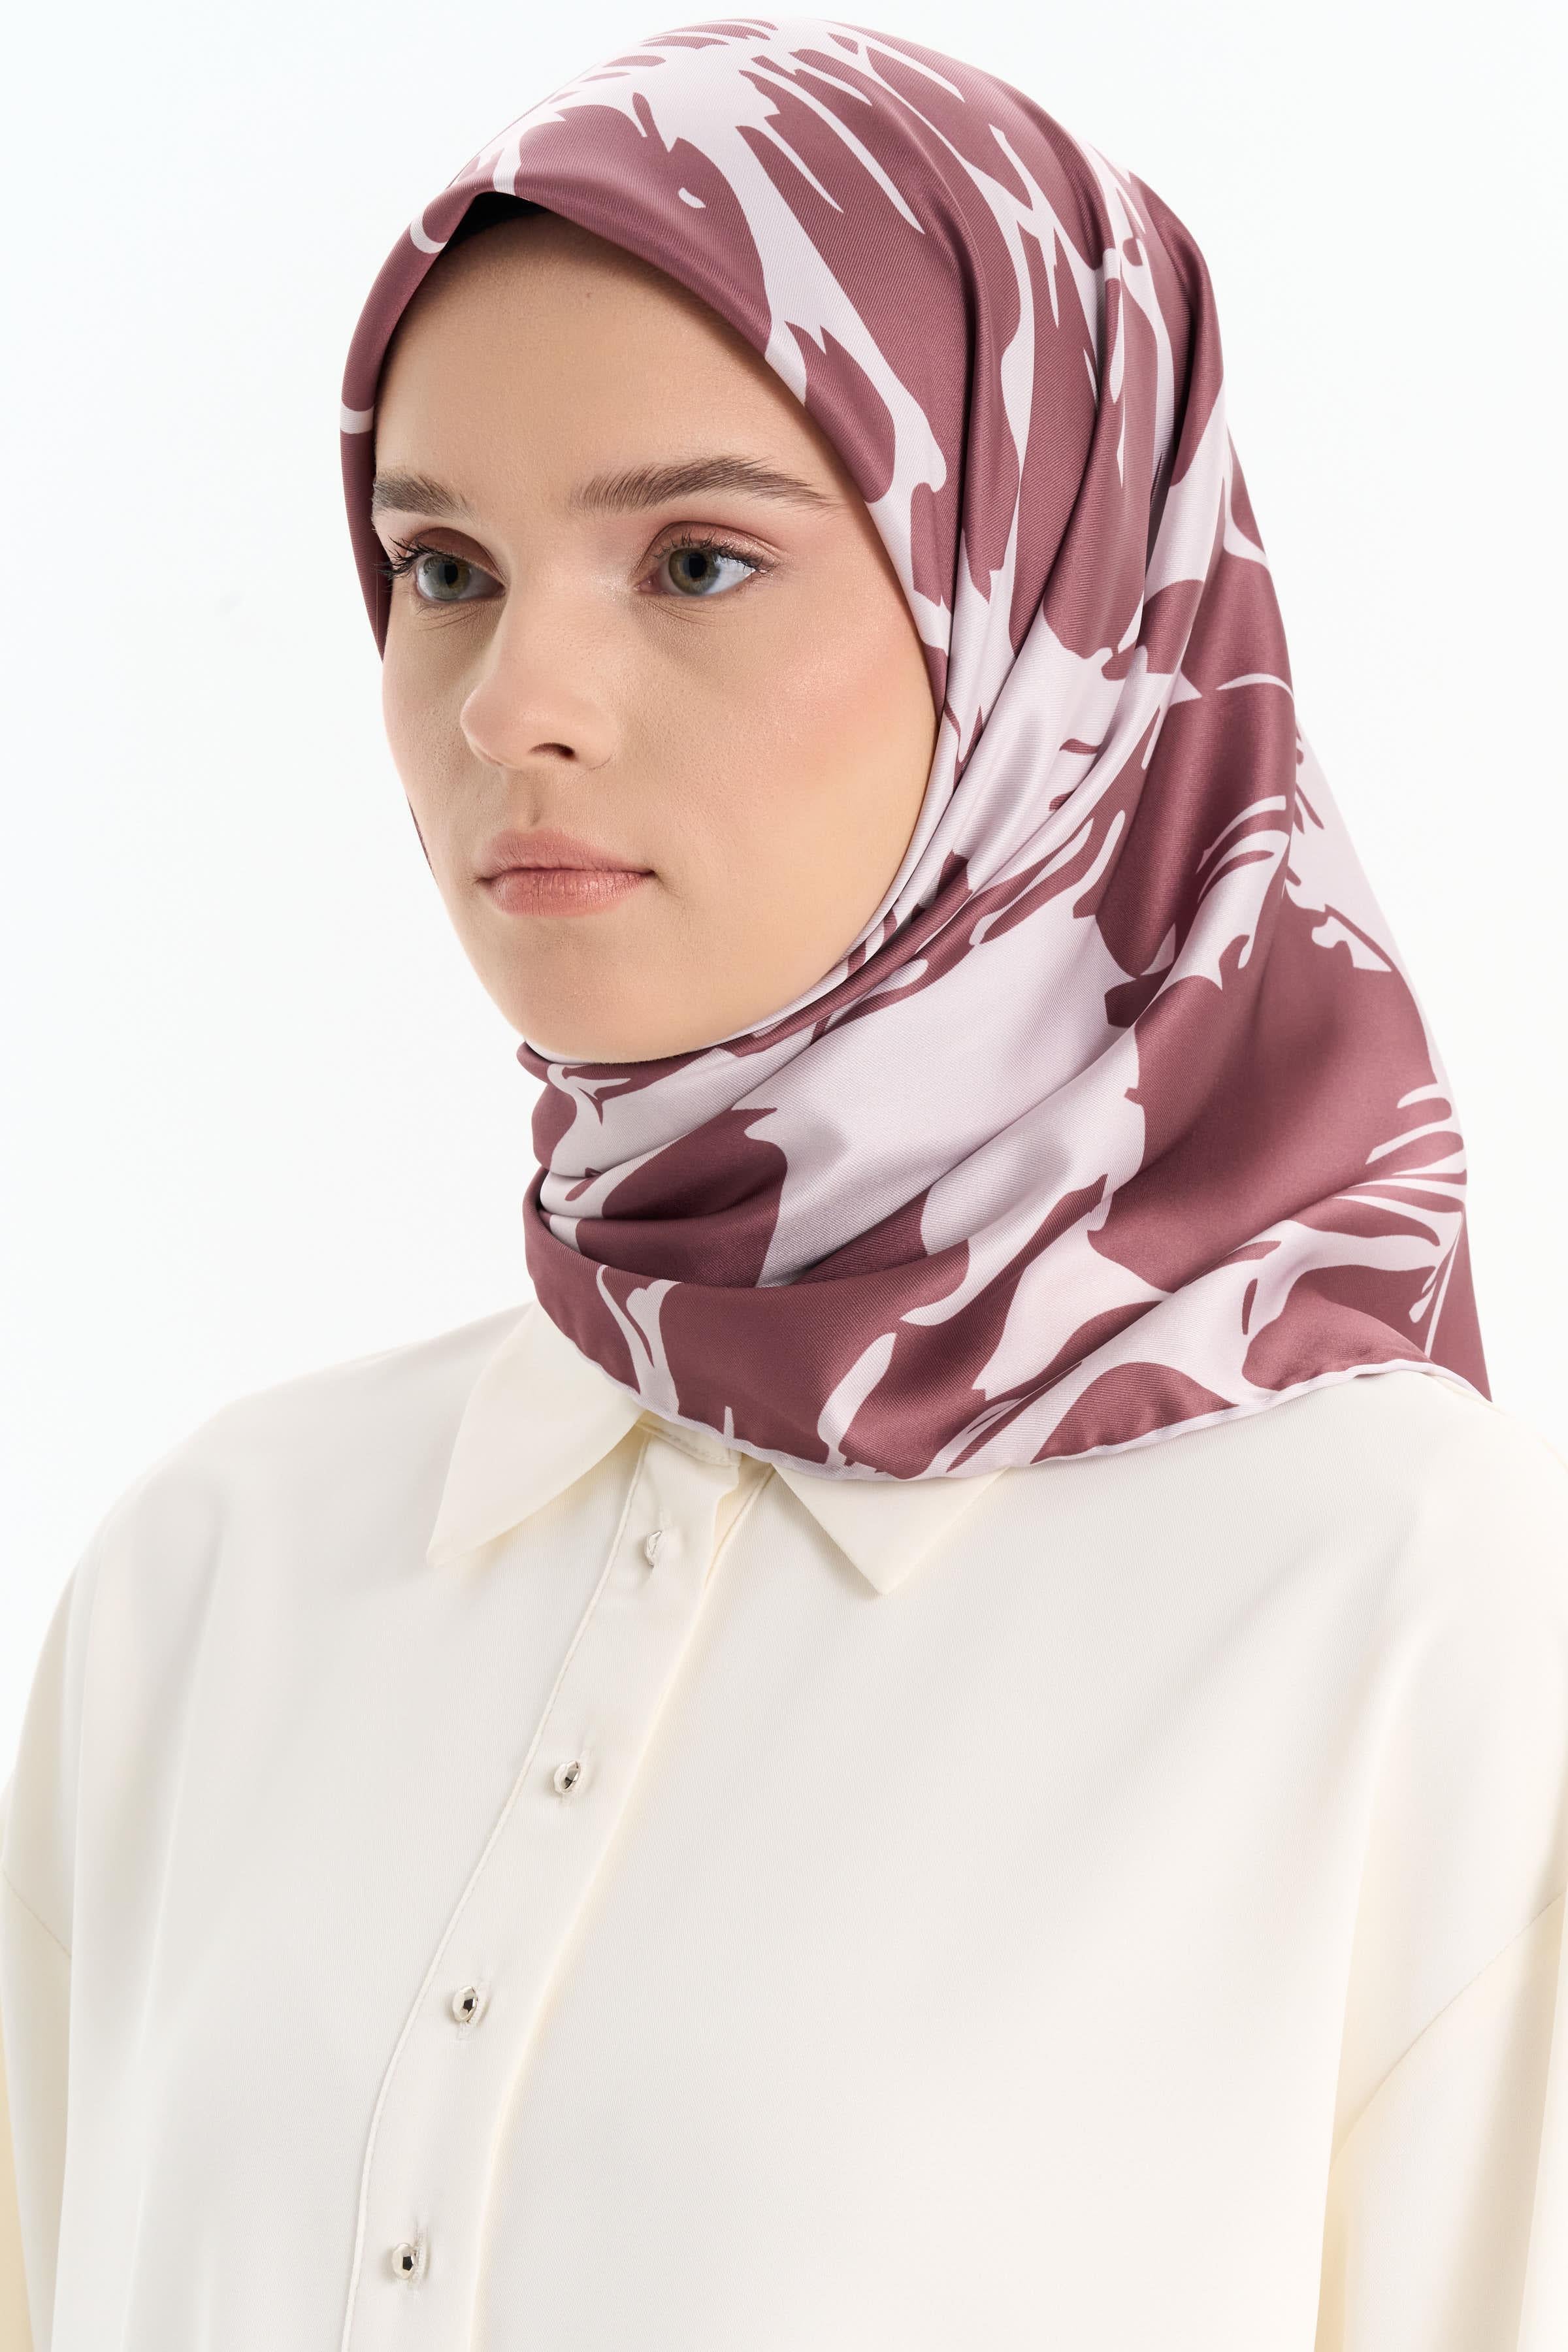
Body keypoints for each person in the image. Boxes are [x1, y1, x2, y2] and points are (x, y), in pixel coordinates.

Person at [3, 16, 1565, 2347]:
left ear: (1044, 608)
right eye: (442, 566)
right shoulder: (212, 1581)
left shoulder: (1400, 1605)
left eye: (699, 559)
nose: (511, 701)